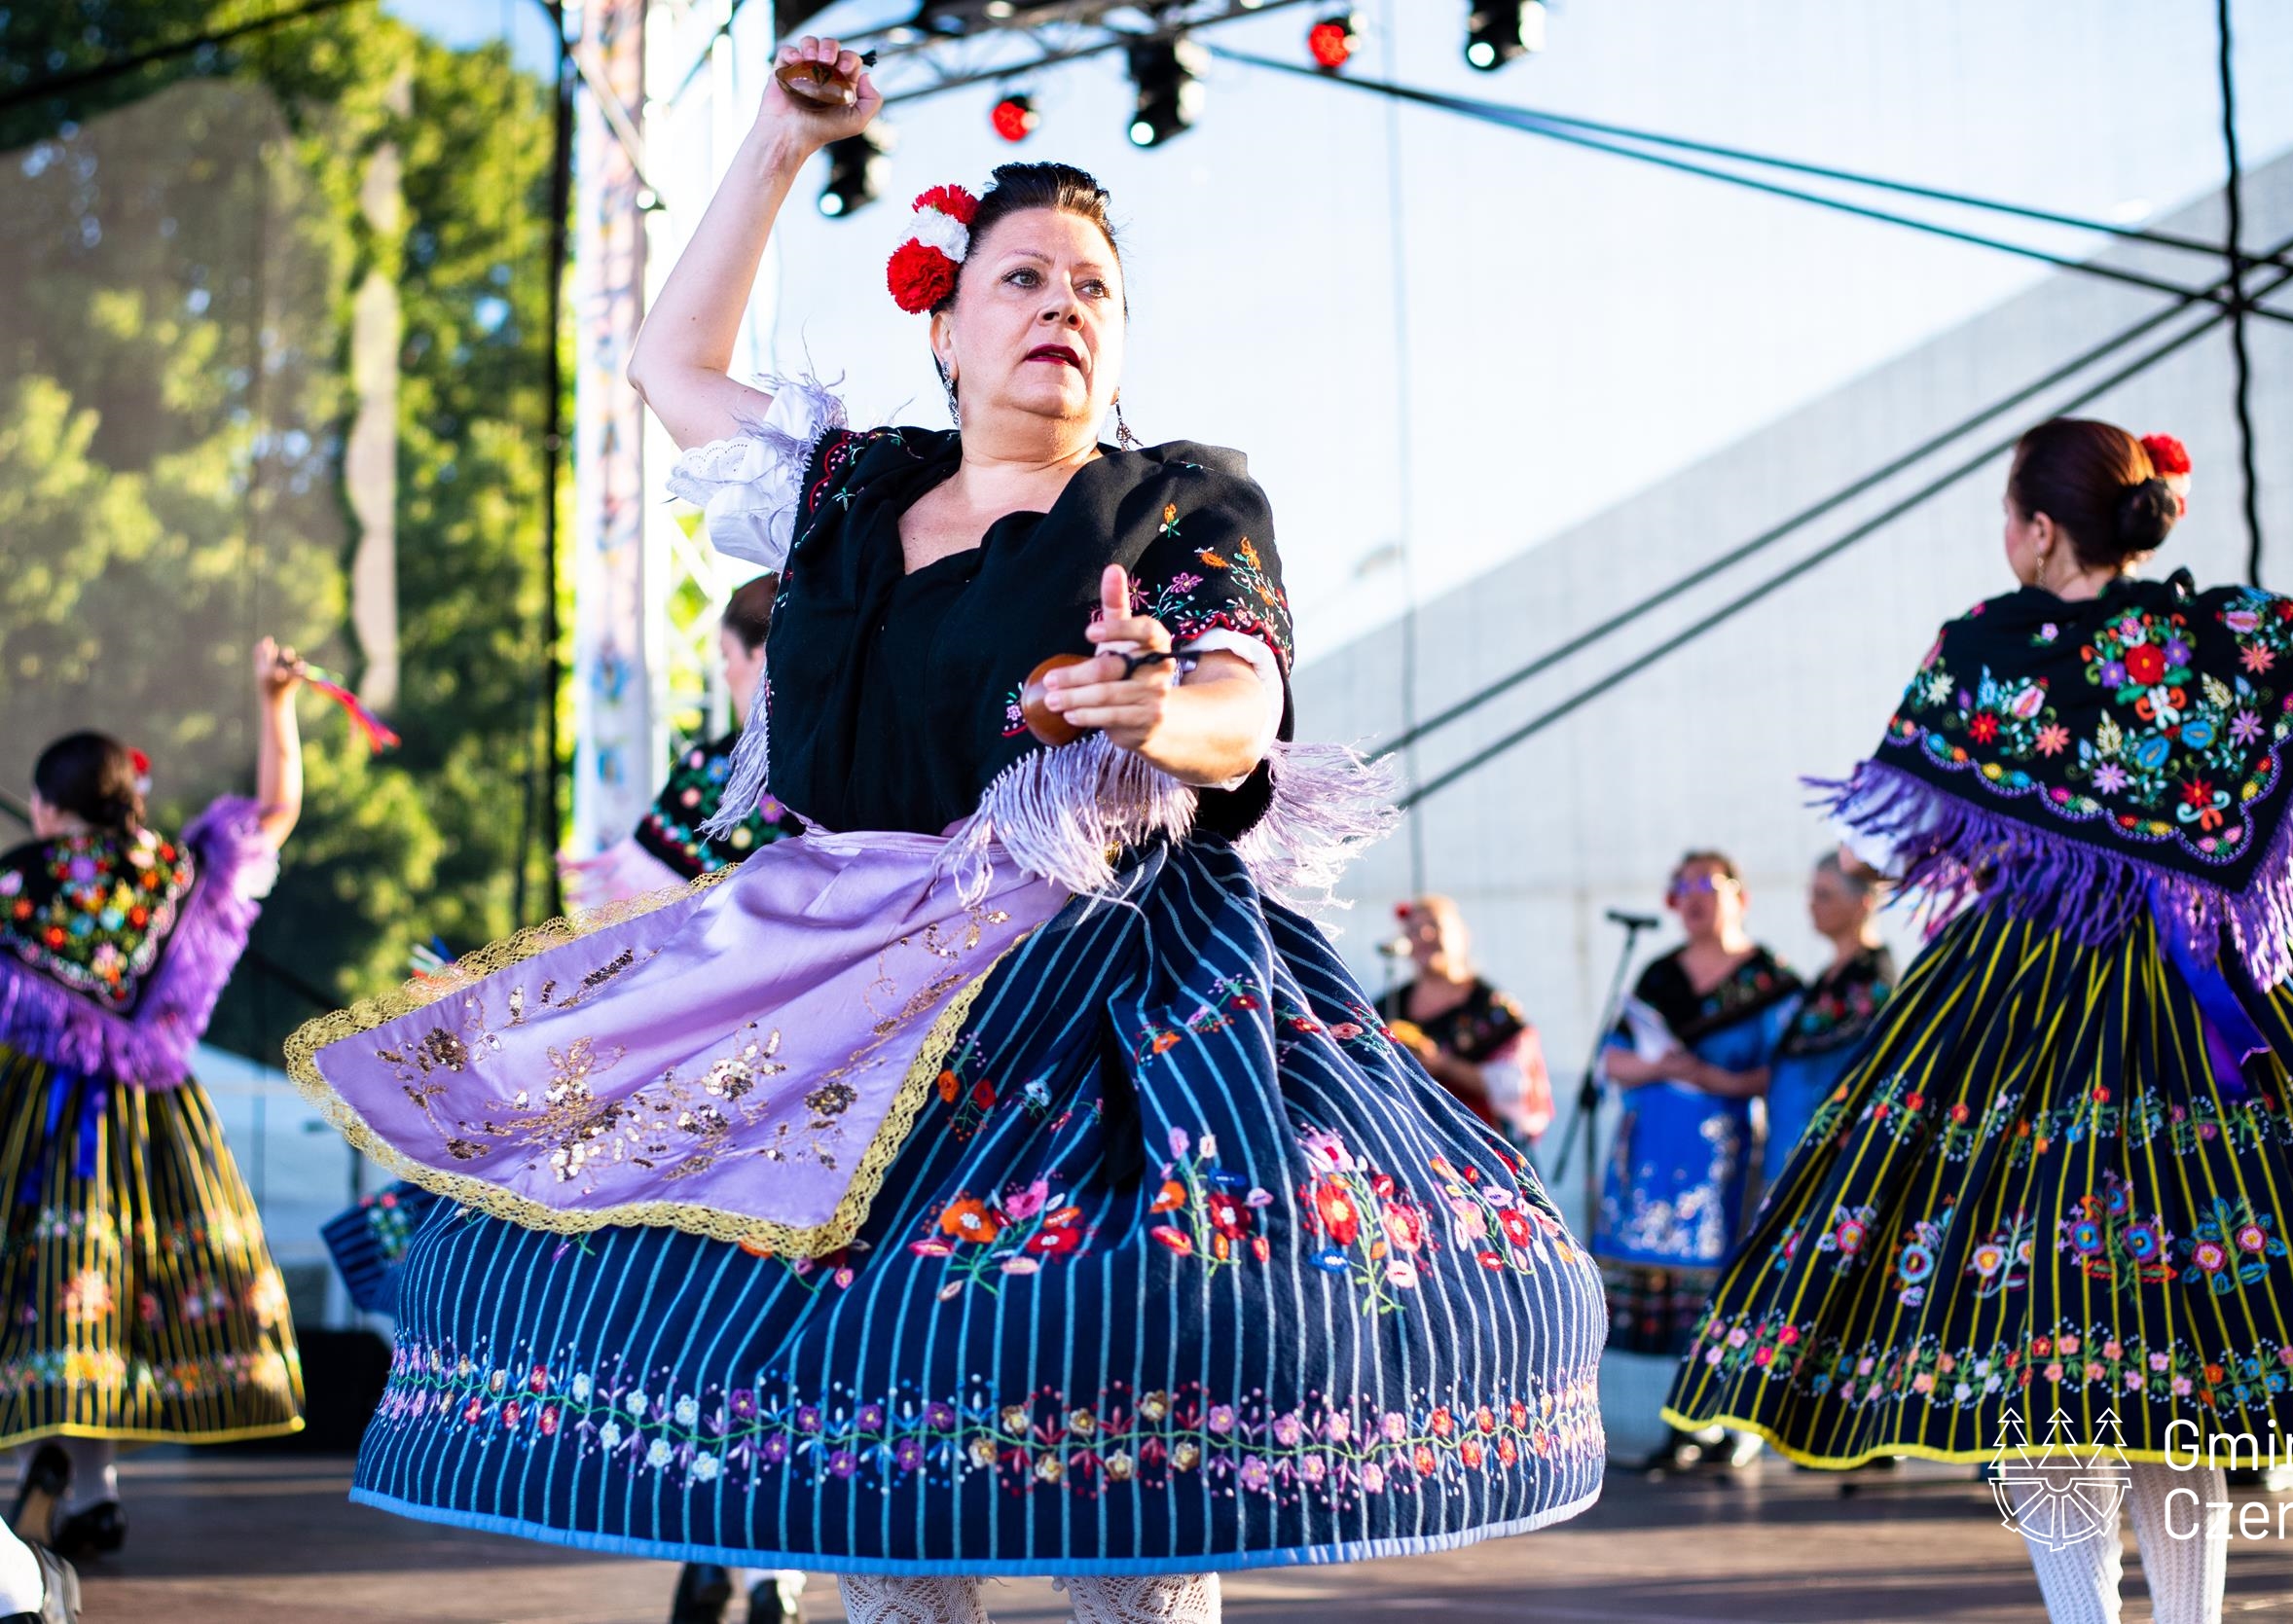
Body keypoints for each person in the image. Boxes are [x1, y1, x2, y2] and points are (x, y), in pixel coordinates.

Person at [286, 37, 1603, 1624]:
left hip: (1097, 982)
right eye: (1024, 276)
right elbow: (672, 364)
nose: (1062, 304)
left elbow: (1243, 707)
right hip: (842, 980)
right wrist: (776, 140)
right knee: (872, 1466)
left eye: (1093, 287)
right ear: (944, 321)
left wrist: (1148, 711)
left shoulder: (1176, 506)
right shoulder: (851, 490)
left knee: (1123, 1447)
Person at [1664, 420, 2293, 1623]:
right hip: (2206, 1004)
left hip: (2016, 1007)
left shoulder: (1985, 646)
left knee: (2036, 1358)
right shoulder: (2206, 633)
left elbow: (1903, 818)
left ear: (2036, 527)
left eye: (2008, 515)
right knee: (2178, 1370)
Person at [0, 640, 309, 1564]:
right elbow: (276, 810)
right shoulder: (182, 874)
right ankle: (94, 1485)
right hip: (159, 1119)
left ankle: (67, 1470)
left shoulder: (21, 885)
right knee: (128, 1287)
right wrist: (274, 702)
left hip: (42, 1115)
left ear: (50, 807)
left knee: (54, 1290)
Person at [1593, 851, 1799, 1466]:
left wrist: (1708, 1075)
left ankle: (1730, 1422)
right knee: (1675, 1297)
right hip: (1653, 1152)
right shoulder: (1657, 974)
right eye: (1681, 887)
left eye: (1707, 884)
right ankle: (1687, 1422)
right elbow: (1612, 1058)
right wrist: (1661, 1067)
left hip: (1726, 1158)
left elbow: (1786, 1073)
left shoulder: (1772, 982)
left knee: (1728, 1283)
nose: (1693, 897)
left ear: (1741, 894)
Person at [563, 574, 802, 912]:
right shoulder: (846, 751)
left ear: (762, 656)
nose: (724, 673)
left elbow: (650, 919)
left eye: (725, 655)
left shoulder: (715, 771)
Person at [1374, 895, 1554, 1148]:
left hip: (1475, 1143)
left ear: (1460, 937)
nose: (1424, 936)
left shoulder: (1490, 1006)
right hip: (1409, 1139)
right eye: (1414, 930)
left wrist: (1445, 1066)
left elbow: (1516, 1087)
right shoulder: (1388, 1006)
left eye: (1434, 926)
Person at [1761, 854, 1895, 1191]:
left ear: (1862, 903)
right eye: (1812, 893)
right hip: (1793, 1140)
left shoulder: (1872, 981)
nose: (1812, 905)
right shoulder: (1827, 978)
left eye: (1825, 895)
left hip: (1828, 1154)